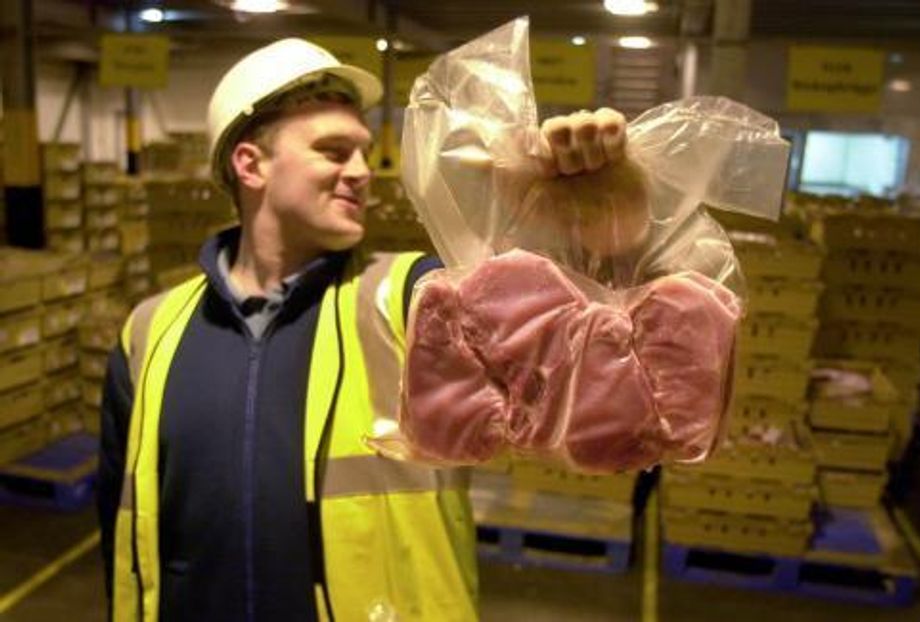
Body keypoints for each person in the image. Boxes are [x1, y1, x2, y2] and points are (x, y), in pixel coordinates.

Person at [97, 37, 626, 622]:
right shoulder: (149, 332)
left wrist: (596, 235)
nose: (361, 172)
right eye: (333, 150)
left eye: (363, 151)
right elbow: (122, 530)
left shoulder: (411, 299)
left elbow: (582, 387)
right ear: (251, 165)